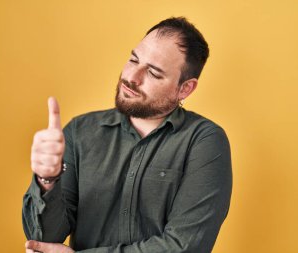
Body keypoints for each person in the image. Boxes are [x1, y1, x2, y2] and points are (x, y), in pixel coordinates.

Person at [22, 17, 232, 253]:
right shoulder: (81, 131)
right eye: (133, 60)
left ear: (185, 88)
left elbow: (185, 246)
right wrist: (47, 180)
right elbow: (44, 239)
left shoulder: (204, 142)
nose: (132, 77)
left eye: (153, 73)